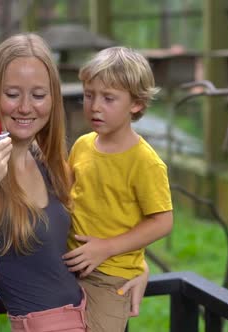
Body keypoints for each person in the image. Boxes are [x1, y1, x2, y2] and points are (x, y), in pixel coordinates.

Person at [0, 34, 147, 332]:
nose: (26, 107)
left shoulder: (49, 163)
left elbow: (94, 229)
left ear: (53, 99)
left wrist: (136, 266)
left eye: (38, 95)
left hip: (92, 316)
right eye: (13, 94)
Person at [63, 46, 174, 332]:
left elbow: (163, 222)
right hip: (68, 264)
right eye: (89, 95)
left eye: (108, 98)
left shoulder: (145, 162)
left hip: (112, 276)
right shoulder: (82, 145)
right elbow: (66, 194)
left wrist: (106, 248)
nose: (94, 106)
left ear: (135, 104)